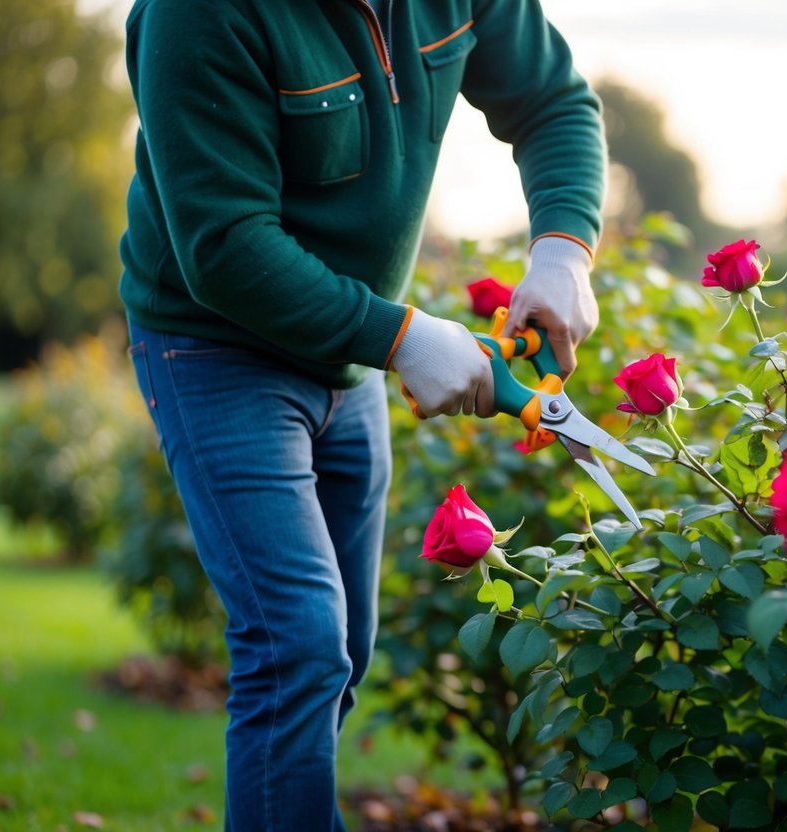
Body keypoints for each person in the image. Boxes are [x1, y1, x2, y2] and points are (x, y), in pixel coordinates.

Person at [117, 0, 604, 828]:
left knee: (339, 657)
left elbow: (552, 101)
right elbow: (226, 244)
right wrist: (402, 337)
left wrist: (563, 250)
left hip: (352, 349)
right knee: (296, 646)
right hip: (213, 347)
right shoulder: (194, 15)